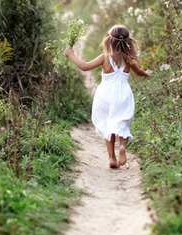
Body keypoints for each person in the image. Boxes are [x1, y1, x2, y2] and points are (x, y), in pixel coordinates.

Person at [64, 25, 152, 168]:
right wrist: (147, 74)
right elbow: (139, 72)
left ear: (109, 40)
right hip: (123, 93)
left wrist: (71, 54)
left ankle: (111, 158)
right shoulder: (129, 59)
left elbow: (84, 66)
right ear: (128, 42)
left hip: (105, 94)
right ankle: (122, 146)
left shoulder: (105, 57)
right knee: (122, 121)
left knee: (107, 123)